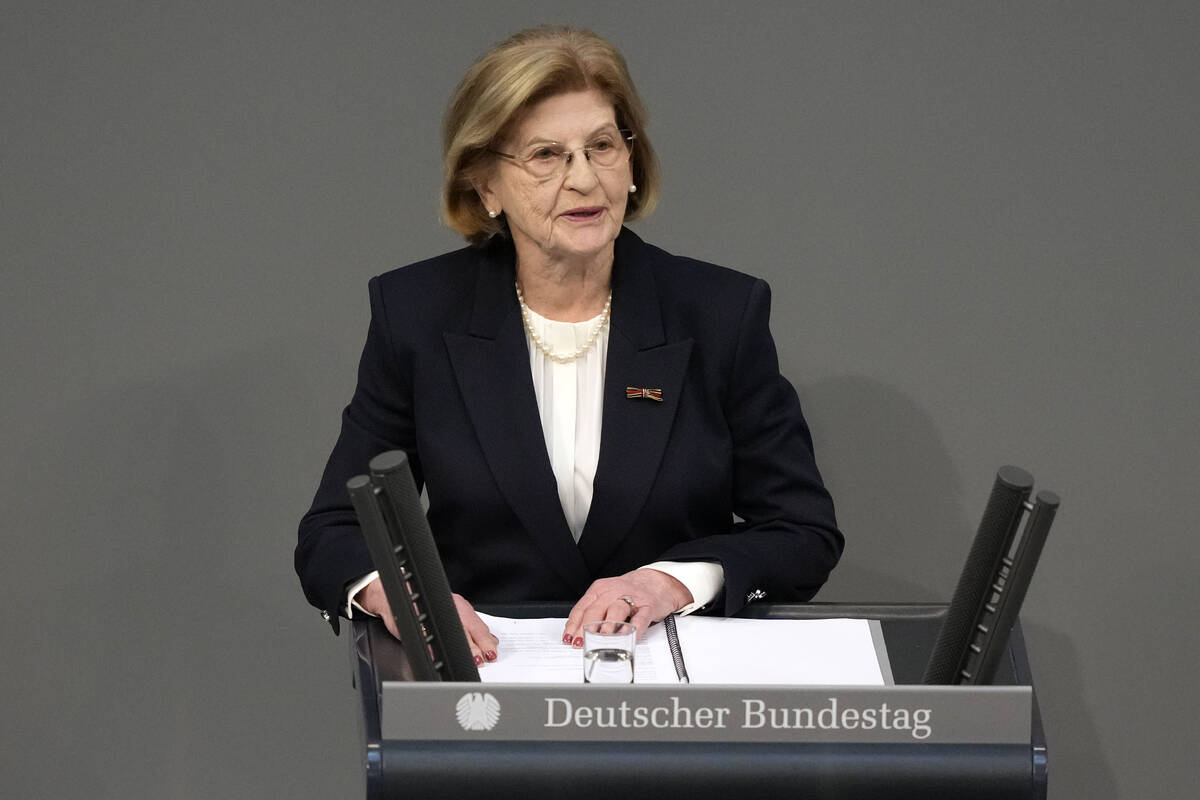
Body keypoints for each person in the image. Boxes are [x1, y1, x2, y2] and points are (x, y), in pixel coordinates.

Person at [295, 25, 842, 667]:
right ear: (485, 186)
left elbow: (802, 532)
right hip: (487, 688)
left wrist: (673, 581)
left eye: (602, 147)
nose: (584, 179)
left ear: (632, 165)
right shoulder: (417, 314)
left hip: (673, 693)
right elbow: (332, 533)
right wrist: (397, 593)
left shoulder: (720, 313)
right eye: (547, 156)